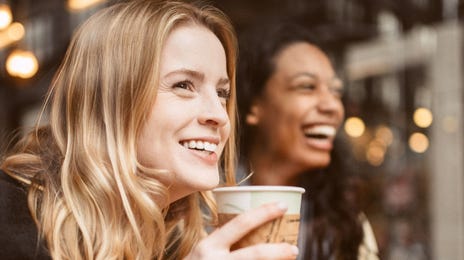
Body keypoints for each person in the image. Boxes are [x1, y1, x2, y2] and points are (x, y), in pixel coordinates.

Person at [0, 1, 300, 259]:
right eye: (183, 85)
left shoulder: (175, 243)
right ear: (112, 102)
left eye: (222, 93)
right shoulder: (10, 218)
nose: (219, 115)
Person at [236, 20, 379, 259]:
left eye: (335, 91)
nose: (333, 106)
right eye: (306, 87)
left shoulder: (349, 225)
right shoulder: (194, 213)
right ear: (254, 105)